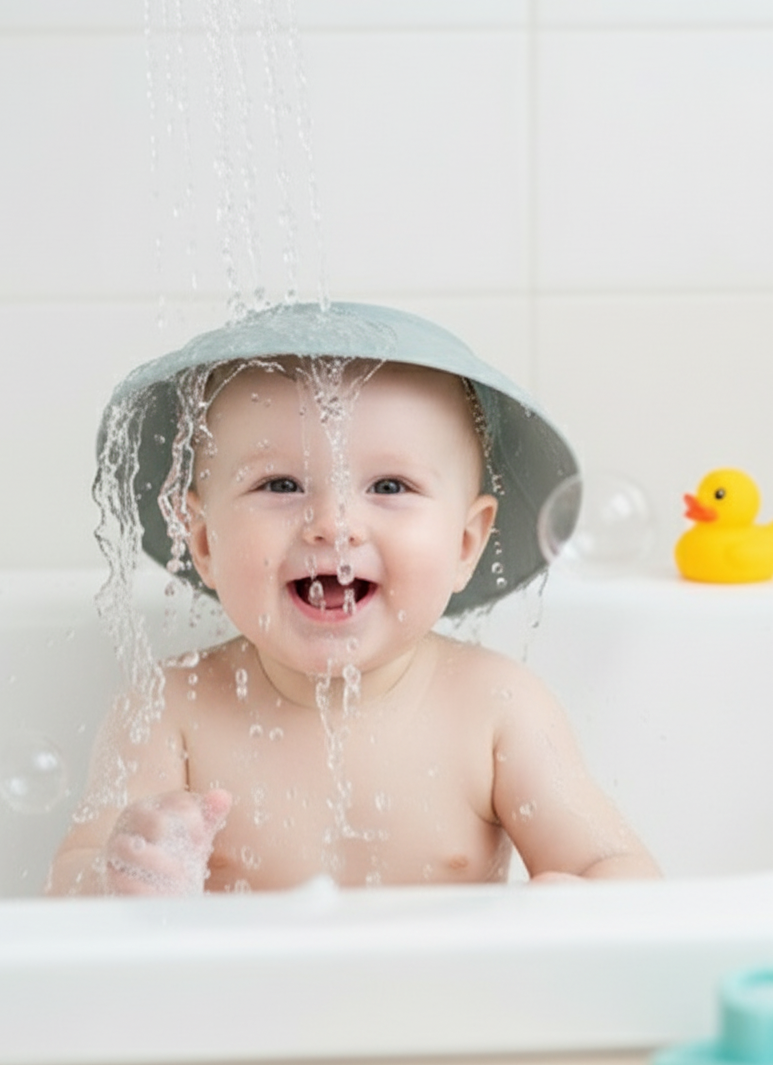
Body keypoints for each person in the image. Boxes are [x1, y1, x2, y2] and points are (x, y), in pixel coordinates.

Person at [46, 301, 661, 895]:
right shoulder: (168, 711)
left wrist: (579, 899)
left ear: (467, 541)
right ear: (203, 541)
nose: (333, 523)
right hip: (240, 1004)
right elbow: (67, 888)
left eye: (390, 485)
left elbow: (618, 868)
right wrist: (113, 876)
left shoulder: (497, 710)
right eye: (280, 484)